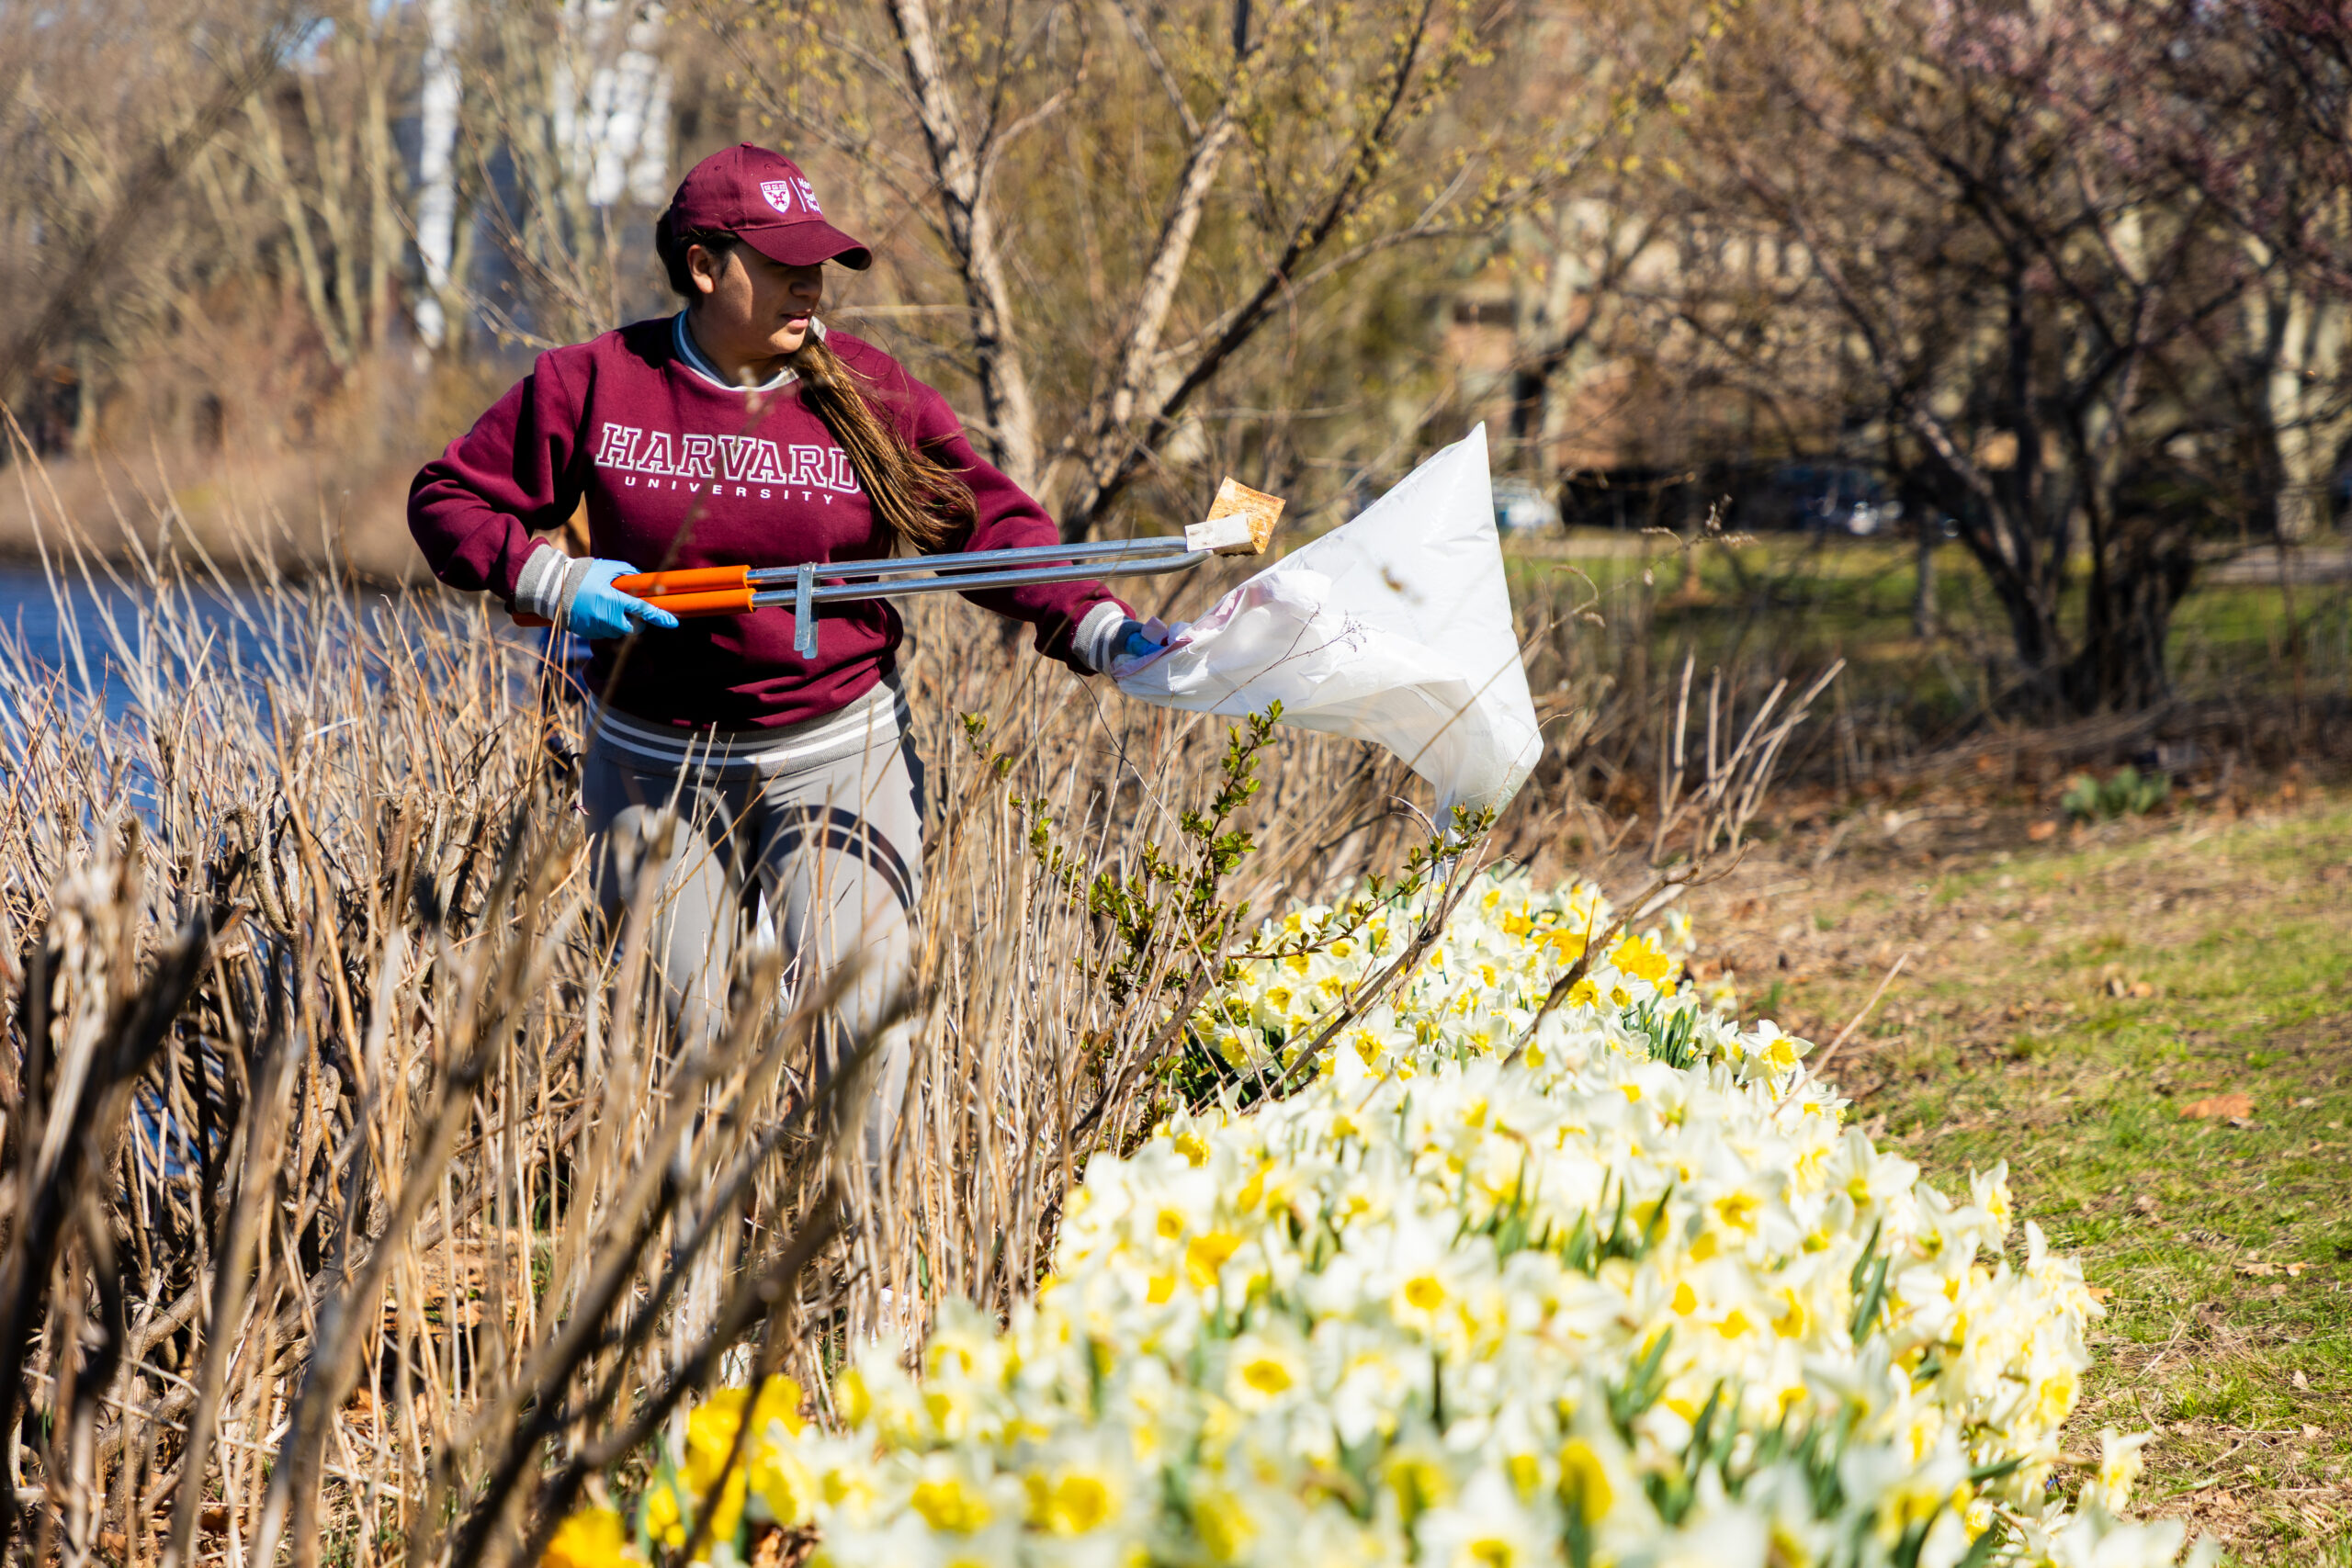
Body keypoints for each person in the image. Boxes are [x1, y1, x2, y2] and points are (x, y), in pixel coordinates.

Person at [408, 142, 1159, 1163]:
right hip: (651, 763)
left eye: (820, 260)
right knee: (687, 1064)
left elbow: (986, 528)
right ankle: (695, 1307)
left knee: (863, 1039)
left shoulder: (866, 393)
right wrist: (551, 581)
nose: (811, 281)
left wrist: (1098, 625)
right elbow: (450, 500)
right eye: (783, 260)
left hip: (836, 751)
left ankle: (868, 1286)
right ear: (705, 266)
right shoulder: (594, 384)